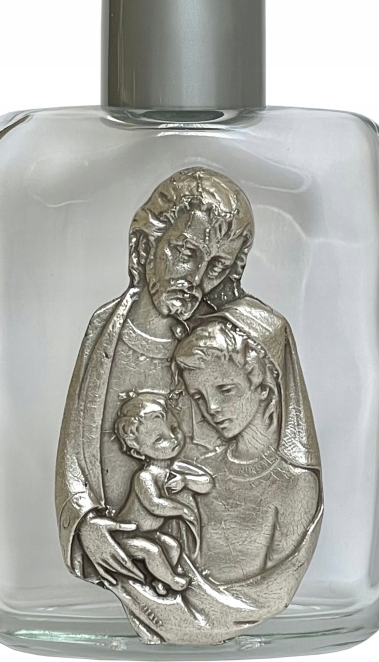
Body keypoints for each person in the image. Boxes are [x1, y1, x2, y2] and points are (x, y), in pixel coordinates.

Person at [55, 167, 254, 588]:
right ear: (146, 246)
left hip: (212, 547)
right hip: (123, 535)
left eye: (216, 266)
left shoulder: (224, 343)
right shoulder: (105, 330)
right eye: (186, 252)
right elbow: (74, 448)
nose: (197, 279)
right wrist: (87, 522)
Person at [173, 296, 323, 584]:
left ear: (263, 386)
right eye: (199, 396)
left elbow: (276, 582)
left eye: (225, 389)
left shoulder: (294, 483)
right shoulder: (200, 467)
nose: (211, 408)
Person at [112, 391, 213, 595]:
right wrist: (182, 510)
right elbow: (155, 505)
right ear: (137, 451)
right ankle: (173, 581)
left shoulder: (176, 469)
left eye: (174, 429)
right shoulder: (144, 477)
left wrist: (186, 481)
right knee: (153, 551)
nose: (173, 439)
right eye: (159, 439)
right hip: (125, 536)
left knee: (172, 546)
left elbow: (207, 483)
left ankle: (161, 580)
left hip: (149, 534)